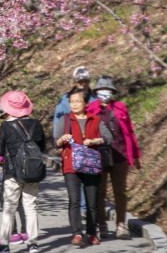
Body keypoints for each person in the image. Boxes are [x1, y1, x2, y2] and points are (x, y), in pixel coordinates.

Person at [86, 75, 142, 240]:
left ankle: (121, 224)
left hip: (120, 154)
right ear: (96, 92)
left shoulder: (120, 107)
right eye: (102, 90)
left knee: (120, 191)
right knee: (100, 191)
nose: (105, 92)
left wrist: (136, 155)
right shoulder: (90, 109)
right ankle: (102, 224)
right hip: (98, 155)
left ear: (112, 91)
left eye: (108, 90)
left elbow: (130, 132)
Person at [54, 88, 112, 247]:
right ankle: (77, 233)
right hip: (70, 166)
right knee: (74, 201)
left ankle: (92, 233)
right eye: (71, 102)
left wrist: (94, 141)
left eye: (77, 101)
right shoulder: (64, 120)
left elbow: (108, 138)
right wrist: (61, 140)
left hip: (91, 165)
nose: (74, 104)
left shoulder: (96, 119)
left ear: (86, 103)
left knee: (92, 202)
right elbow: (55, 142)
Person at [0, 91, 46, 253]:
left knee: (9, 208)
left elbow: (0, 151)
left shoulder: (6, 126)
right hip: (33, 171)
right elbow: (42, 147)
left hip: (12, 173)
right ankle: (33, 244)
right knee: (30, 206)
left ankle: (4, 245)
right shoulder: (36, 124)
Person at [0, 125, 28, 247]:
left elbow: (0, 151)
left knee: (6, 200)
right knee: (22, 200)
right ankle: (26, 232)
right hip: (26, 168)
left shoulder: (11, 125)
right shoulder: (28, 124)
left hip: (12, 170)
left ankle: (14, 233)